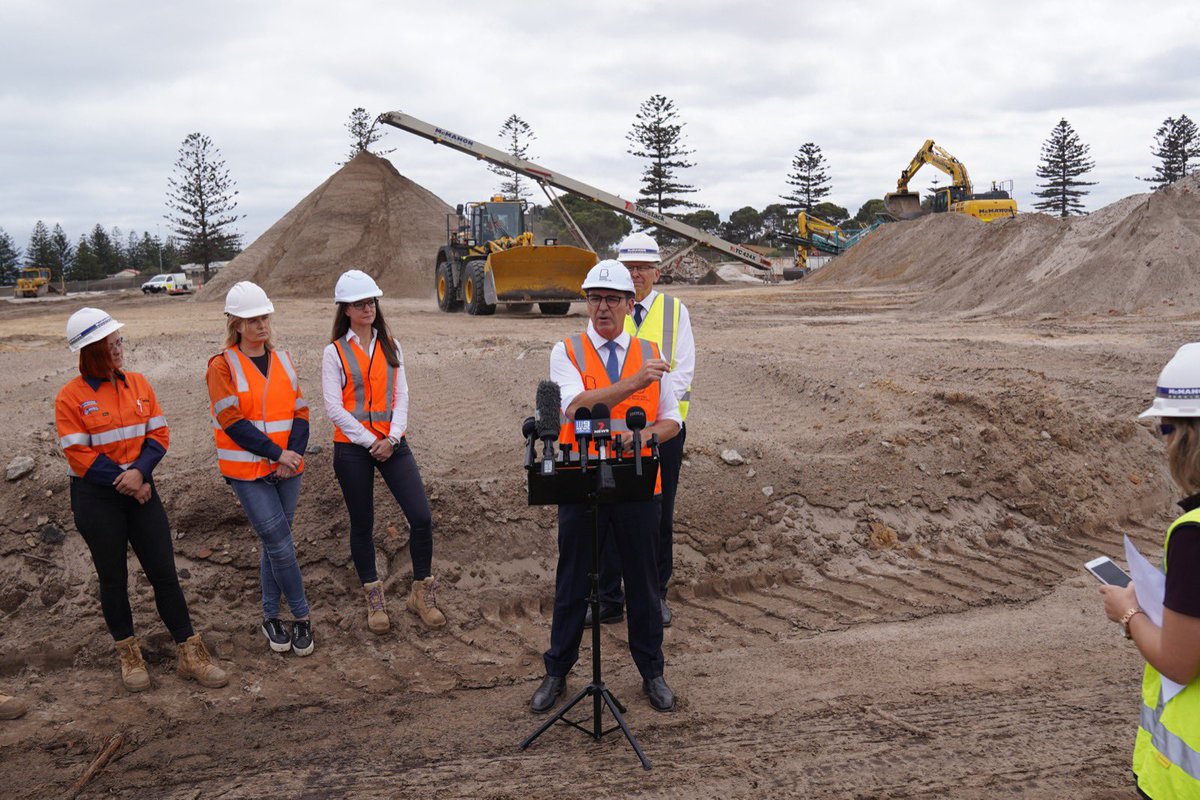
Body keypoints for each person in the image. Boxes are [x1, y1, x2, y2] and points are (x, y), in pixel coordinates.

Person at [529, 260, 682, 714]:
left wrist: (645, 437)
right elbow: (576, 407)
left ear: (630, 305)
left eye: (612, 299)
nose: (602, 307)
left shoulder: (650, 350)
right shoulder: (567, 351)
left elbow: (672, 420)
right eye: (594, 298)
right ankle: (557, 671)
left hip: (639, 481)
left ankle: (652, 672)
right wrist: (635, 381)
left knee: (643, 582)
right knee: (572, 582)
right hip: (581, 481)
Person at [56, 308, 227, 692]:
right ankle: (129, 655)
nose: (119, 349)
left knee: (164, 573)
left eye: (120, 342)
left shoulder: (138, 384)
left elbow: (159, 434)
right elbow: (78, 454)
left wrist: (139, 475)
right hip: (97, 497)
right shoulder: (70, 397)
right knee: (113, 578)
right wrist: (129, 481)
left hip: (141, 487)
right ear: (92, 350)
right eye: (111, 344)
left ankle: (190, 652)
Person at [1099, 342, 1200, 799]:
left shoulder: (1194, 536)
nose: (1163, 443)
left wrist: (1129, 613)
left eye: (1164, 429)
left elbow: (1180, 662)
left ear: (1188, 436)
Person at [321, 270, 444, 633]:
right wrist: (369, 440)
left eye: (372, 301)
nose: (368, 308)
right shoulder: (334, 352)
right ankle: (374, 598)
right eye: (360, 303)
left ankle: (421, 594)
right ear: (345, 309)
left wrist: (391, 439)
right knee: (363, 524)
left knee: (421, 517)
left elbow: (401, 395)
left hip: (392, 443)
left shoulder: (391, 345)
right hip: (353, 447)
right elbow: (333, 407)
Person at [587, 231, 696, 628]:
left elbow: (681, 373)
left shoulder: (674, 311)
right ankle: (609, 598)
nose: (635, 274)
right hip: (612, 433)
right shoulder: (608, 306)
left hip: (662, 432)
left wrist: (651, 417)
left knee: (658, 518)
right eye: (629, 267)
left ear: (656, 272)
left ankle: (655, 596)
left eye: (642, 267)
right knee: (607, 515)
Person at [206, 282, 315, 656]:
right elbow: (232, 422)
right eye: (253, 320)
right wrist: (276, 454)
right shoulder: (221, 366)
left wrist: (292, 455)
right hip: (248, 473)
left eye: (264, 318)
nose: (261, 325)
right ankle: (302, 616)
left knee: (274, 544)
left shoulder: (283, 359)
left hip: (288, 469)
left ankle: (270, 616)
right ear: (236, 324)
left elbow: (301, 412)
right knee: (281, 545)